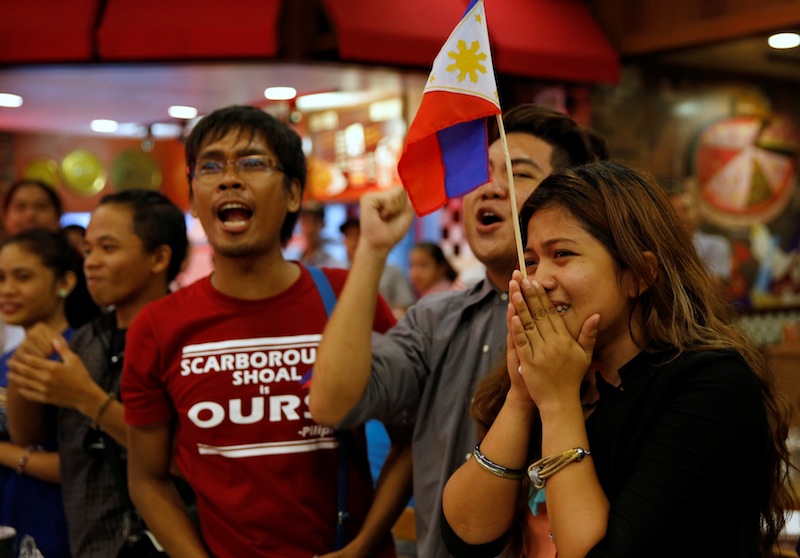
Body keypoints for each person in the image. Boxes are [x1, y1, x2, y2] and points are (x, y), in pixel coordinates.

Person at [440, 161, 793, 557]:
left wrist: (557, 402)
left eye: (562, 254)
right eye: (533, 260)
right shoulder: (556, 375)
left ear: (638, 274)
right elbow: (467, 536)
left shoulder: (712, 384)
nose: (538, 281)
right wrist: (522, 394)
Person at [309, 103, 609, 558]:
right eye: (477, 174)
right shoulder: (434, 320)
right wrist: (372, 250)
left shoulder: (600, 326)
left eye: (518, 173)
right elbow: (334, 403)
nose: (488, 188)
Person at [120, 105, 411, 558]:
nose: (229, 179)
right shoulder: (157, 327)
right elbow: (147, 478)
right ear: (194, 200)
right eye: (211, 166)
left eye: (253, 163)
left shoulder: (348, 298)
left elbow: (409, 440)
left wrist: (362, 547)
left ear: (294, 193)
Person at [7, 189, 189, 557]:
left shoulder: (186, 337)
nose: (91, 262)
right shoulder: (87, 338)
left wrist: (86, 398)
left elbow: (189, 459)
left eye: (108, 248)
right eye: (88, 250)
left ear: (158, 257)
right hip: (90, 541)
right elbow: (28, 434)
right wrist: (25, 369)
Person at [0, 229, 89, 558]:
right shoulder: (8, 360)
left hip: (60, 524)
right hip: (12, 514)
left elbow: (81, 465)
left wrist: (6, 453)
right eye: (1, 277)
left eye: (23, 277)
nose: (7, 290)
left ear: (64, 282)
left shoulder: (79, 356)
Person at [340, 216, 415, 318]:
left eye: (358, 235)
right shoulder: (340, 271)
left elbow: (405, 307)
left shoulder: (392, 271)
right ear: (344, 241)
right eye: (349, 236)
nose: (354, 241)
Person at [668, 178, 732, 286]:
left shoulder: (715, 245)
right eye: (673, 211)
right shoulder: (662, 246)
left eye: (685, 209)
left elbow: (711, 288)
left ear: (698, 213)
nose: (679, 217)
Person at [297, 201, 346, 268]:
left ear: (323, 224)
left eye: (315, 221)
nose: (310, 227)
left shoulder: (333, 261)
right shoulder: (295, 258)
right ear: (301, 223)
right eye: (307, 221)